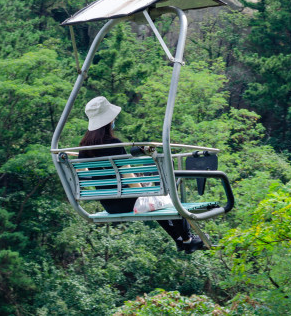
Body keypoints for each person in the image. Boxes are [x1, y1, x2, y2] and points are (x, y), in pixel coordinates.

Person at [79, 96, 203, 254]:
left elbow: (82, 176)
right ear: (109, 121)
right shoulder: (116, 145)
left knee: (156, 200)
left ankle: (181, 241)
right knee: (167, 196)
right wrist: (146, 190)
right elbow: (130, 180)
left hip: (109, 205)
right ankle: (187, 239)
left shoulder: (84, 149)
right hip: (129, 203)